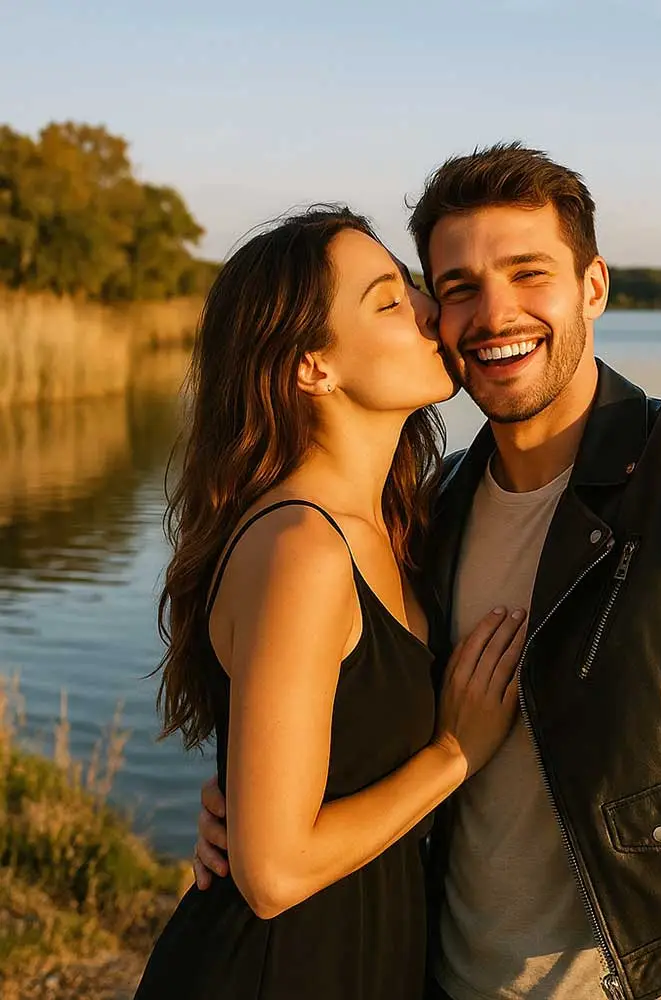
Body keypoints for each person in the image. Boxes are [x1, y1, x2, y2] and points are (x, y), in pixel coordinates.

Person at [193, 107, 661, 1000]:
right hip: (442, 978)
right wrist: (253, 812)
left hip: (653, 980)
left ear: (593, 286)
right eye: (457, 285)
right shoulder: (430, 516)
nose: (493, 313)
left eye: (529, 273)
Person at [134, 206, 530, 1000]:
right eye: (387, 301)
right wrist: (454, 754)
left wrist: (241, 807)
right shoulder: (304, 551)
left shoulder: (392, 523)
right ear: (312, 365)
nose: (428, 311)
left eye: (413, 289)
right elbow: (274, 873)